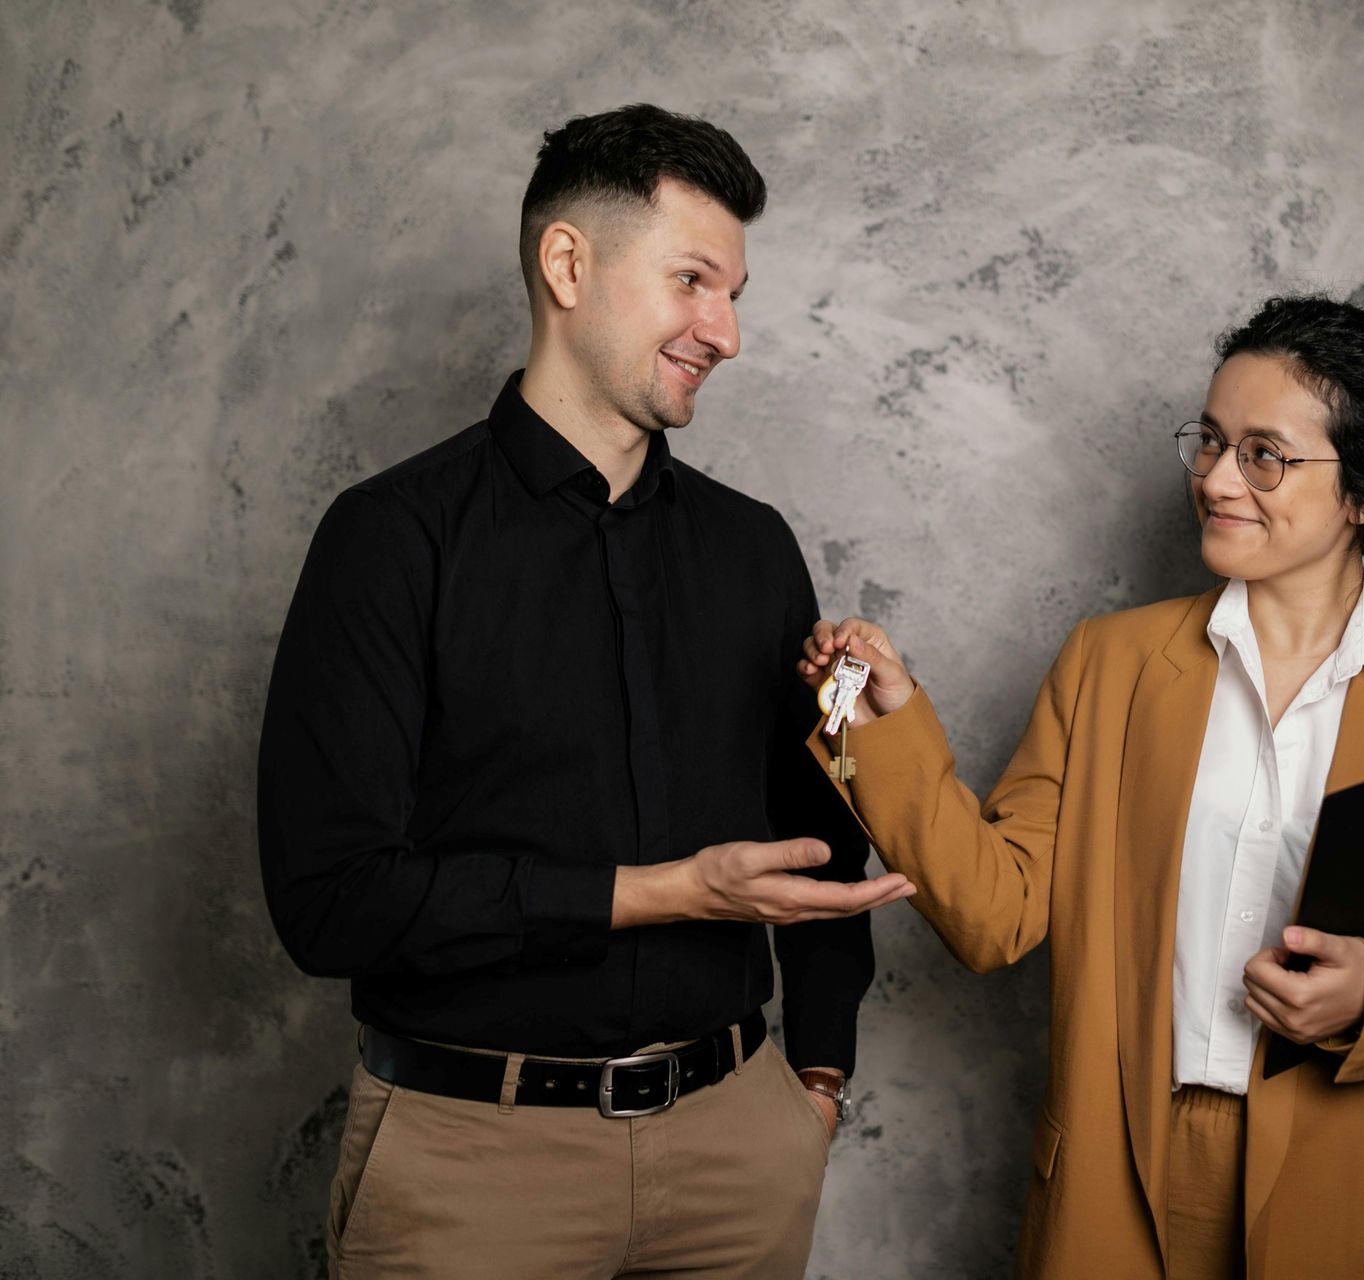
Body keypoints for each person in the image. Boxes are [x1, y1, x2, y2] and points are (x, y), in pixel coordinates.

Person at [258, 103, 914, 1280]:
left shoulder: (753, 548)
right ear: (569, 265)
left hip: (739, 1153)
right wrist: (658, 892)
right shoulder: (389, 540)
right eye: (693, 281)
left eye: (736, 293)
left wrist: (816, 1079)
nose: (725, 330)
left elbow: (820, 837)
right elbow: (330, 899)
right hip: (472, 1164)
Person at [799, 295, 1364, 1278]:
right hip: (1127, 1174)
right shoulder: (1108, 663)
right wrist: (881, 727)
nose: (1214, 478)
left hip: (1363, 1192)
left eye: (1263, 454)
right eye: (1207, 442)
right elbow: (995, 916)